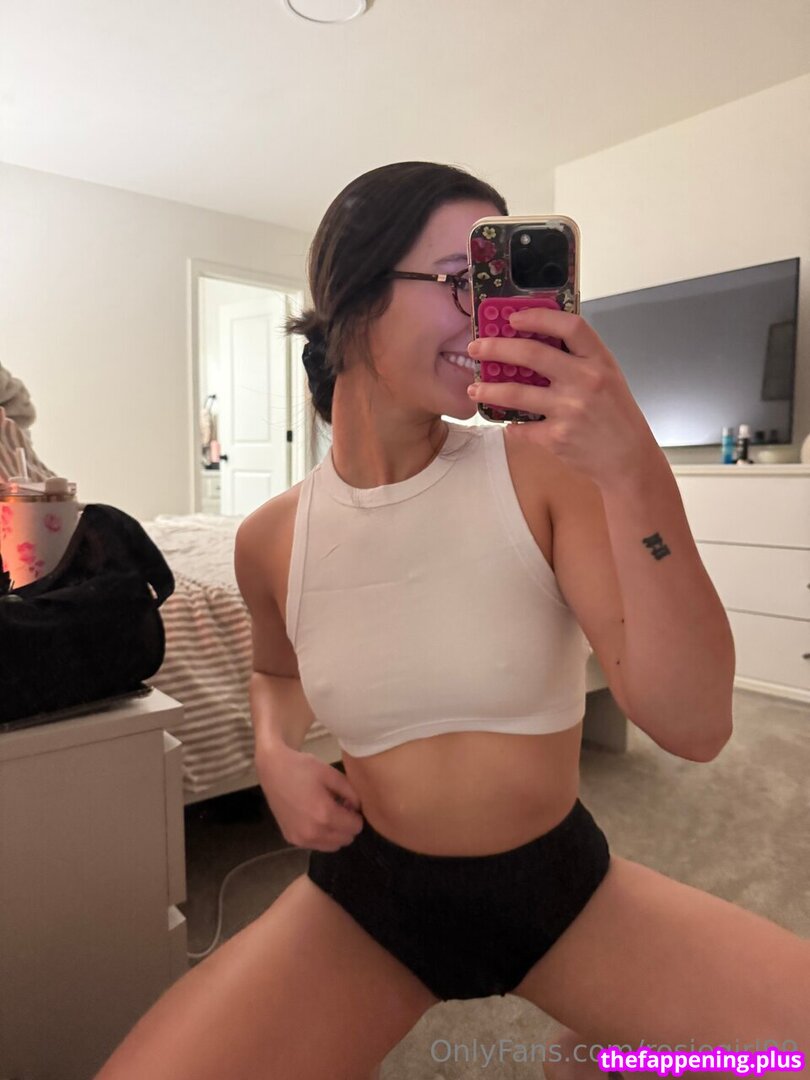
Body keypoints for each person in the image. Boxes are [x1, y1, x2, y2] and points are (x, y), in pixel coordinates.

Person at [94, 162, 809, 1080]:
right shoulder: (271, 539)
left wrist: (635, 469)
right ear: (352, 299)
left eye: (500, 283)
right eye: (460, 280)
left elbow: (696, 725)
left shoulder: (541, 474)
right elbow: (276, 672)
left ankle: (600, 1051)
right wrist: (273, 752)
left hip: (560, 891)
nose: (490, 316)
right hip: (369, 900)